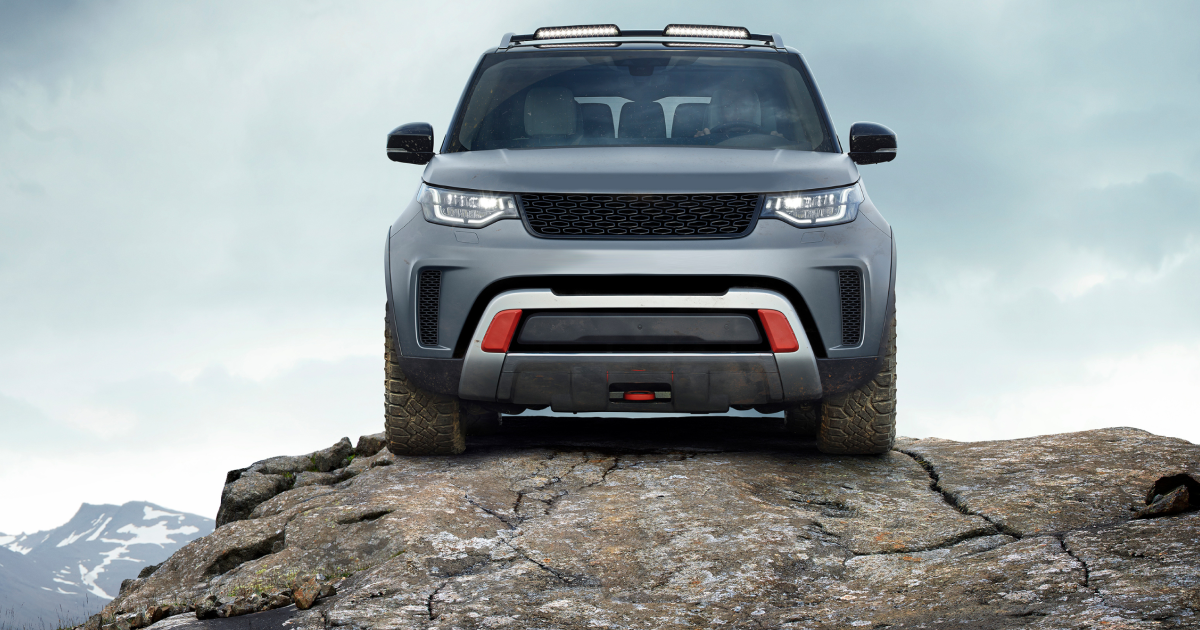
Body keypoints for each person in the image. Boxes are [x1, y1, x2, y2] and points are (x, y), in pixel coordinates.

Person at [695, 87, 785, 138]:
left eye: (744, 106)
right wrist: (700, 142)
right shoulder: (707, 138)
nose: (737, 112)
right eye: (728, 106)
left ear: (755, 110)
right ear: (720, 111)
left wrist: (778, 141)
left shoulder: (769, 142)